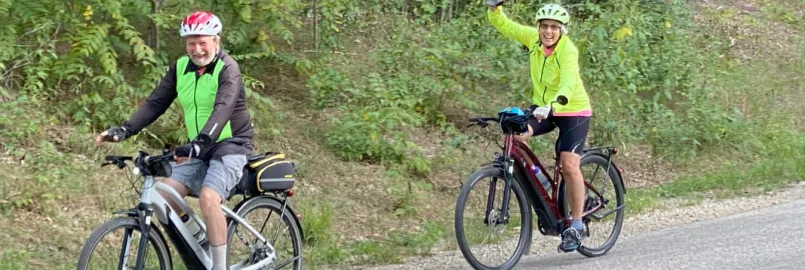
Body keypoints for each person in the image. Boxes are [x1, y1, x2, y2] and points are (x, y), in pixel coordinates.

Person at [95, 11, 254, 269]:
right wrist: (124, 129)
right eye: (191, 42)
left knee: (208, 198)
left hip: (231, 145)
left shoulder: (228, 69)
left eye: (203, 42)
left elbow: (223, 109)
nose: (197, 48)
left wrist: (200, 142)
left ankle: (220, 266)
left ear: (216, 40)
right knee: (163, 195)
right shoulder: (180, 68)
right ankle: (201, 238)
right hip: (199, 146)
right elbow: (156, 103)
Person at [486, 1, 593, 252]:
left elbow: (568, 82)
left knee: (568, 164)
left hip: (572, 110)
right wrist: (493, 8)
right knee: (519, 136)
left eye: (554, 27)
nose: (548, 31)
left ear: (561, 30)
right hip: (543, 108)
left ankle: (576, 225)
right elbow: (505, 26)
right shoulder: (533, 39)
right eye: (544, 26)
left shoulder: (568, 51)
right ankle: (544, 187)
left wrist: (554, 103)